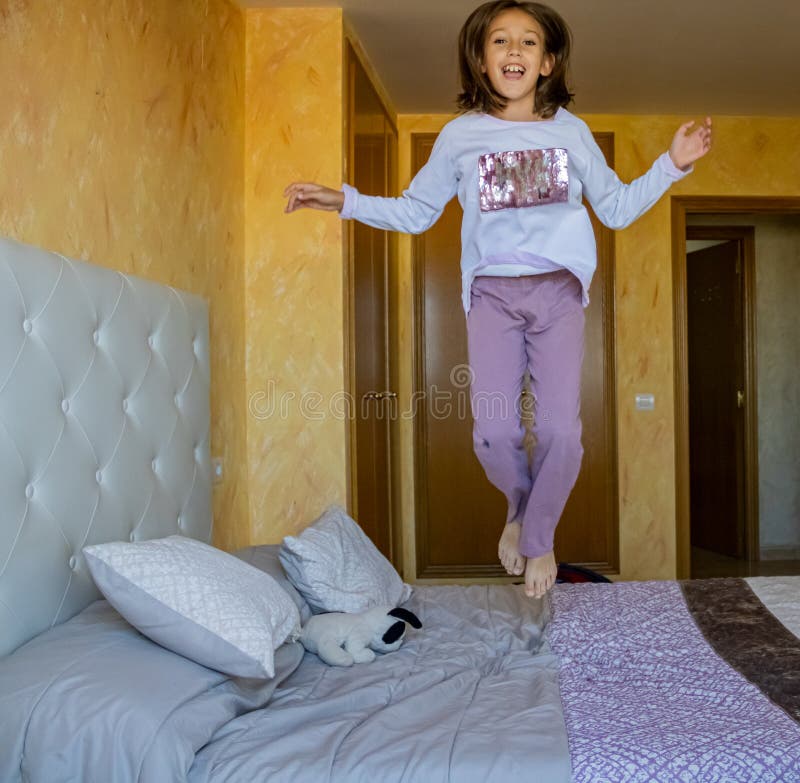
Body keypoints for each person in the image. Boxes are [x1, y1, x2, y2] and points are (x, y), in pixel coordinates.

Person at [284, 0, 712, 599]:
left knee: (563, 432)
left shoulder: (571, 131)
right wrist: (344, 201)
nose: (514, 51)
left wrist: (673, 165)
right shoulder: (462, 136)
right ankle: (520, 510)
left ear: (548, 61)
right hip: (491, 294)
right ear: (481, 60)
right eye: (500, 41)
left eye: (528, 42)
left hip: (559, 292)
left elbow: (615, 209)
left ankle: (538, 537)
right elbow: (415, 210)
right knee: (492, 433)